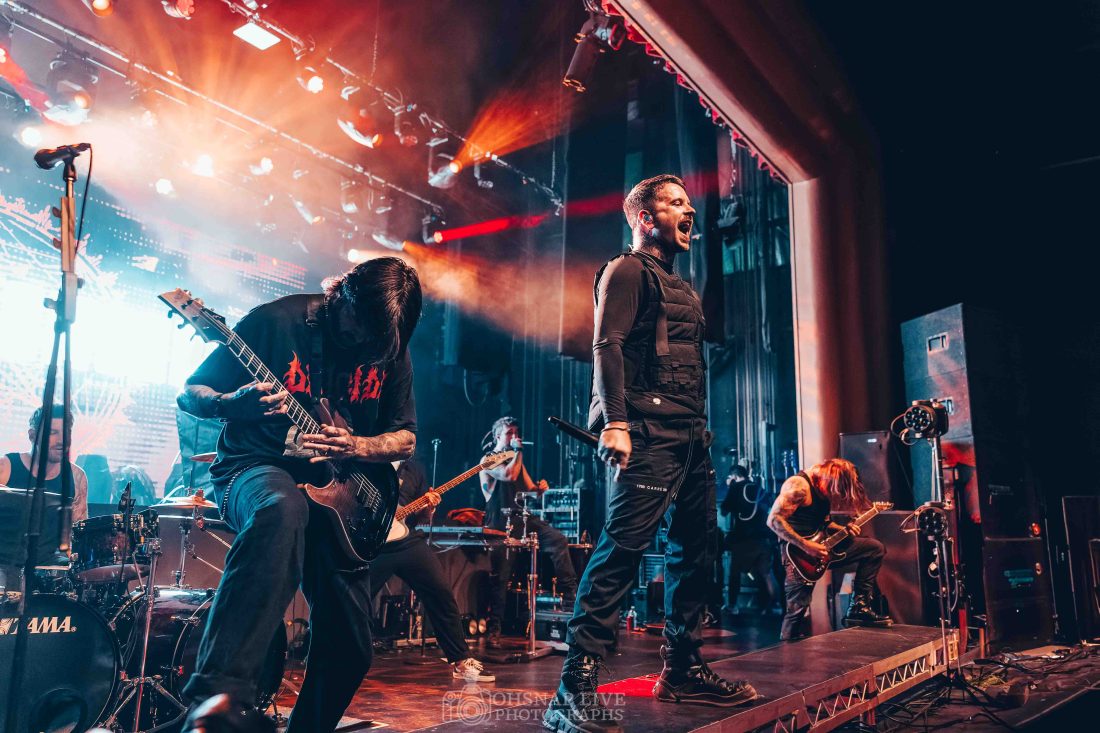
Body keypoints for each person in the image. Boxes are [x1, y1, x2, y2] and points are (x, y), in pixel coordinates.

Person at [545, 175, 757, 733]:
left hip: (690, 436)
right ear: (645, 218)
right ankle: (573, 688)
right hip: (644, 432)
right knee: (621, 553)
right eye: (675, 203)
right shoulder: (626, 270)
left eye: (688, 203)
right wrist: (615, 421)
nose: (690, 211)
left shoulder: (680, 286)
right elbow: (606, 344)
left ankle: (682, 669)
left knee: (696, 555)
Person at [175, 257, 422, 733]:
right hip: (254, 466)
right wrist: (231, 403)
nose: (364, 346)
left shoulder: (390, 349)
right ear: (343, 294)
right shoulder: (276, 322)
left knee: (351, 646)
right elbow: (191, 393)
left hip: (338, 493)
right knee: (280, 509)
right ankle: (215, 699)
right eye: (359, 330)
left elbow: (405, 438)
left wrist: (358, 446)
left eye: (378, 342)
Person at [370, 457, 495, 682]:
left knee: (441, 593)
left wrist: (428, 508)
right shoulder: (370, 461)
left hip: (408, 540)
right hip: (373, 543)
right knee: (351, 598)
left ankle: (460, 660)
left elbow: (420, 519)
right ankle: (323, 653)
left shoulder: (414, 469)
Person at [766, 458, 893, 641]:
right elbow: (774, 520)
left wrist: (843, 529)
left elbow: (824, 523)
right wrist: (807, 546)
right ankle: (788, 648)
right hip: (798, 556)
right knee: (797, 610)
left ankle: (859, 606)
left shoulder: (822, 488)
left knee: (873, 549)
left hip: (823, 548)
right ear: (830, 478)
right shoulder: (798, 486)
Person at [480, 416, 577, 643]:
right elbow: (509, 475)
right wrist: (517, 451)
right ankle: (495, 626)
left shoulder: (515, 457)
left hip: (521, 517)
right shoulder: (488, 459)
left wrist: (540, 489)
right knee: (502, 575)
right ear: (498, 436)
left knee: (558, 540)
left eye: (516, 433)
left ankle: (570, 597)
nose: (515, 437)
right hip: (499, 521)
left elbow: (529, 487)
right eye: (509, 433)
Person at [0, 404, 88, 523]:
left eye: (66, 432)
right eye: (53, 432)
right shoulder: (5, 468)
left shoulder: (77, 476)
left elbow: (79, 529)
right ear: (32, 436)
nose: (61, 440)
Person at [719, 465, 780, 614]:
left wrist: (730, 488)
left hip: (742, 538)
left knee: (734, 573)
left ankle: (732, 605)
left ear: (734, 476)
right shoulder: (759, 488)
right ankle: (775, 605)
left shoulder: (735, 488)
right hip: (763, 538)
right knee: (766, 574)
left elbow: (724, 511)